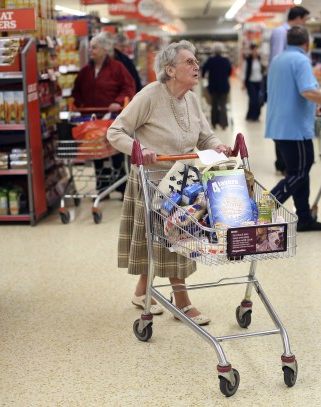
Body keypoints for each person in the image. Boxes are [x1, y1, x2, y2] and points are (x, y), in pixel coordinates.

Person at [107, 40, 231, 326]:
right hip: (154, 182)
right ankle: (183, 302)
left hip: (184, 182)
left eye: (196, 60)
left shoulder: (190, 98)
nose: (197, 65)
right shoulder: (150, 96)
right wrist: (139, 150)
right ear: (170, 70)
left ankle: (141, 292)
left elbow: (204, 136)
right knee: (177, 241)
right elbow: (116, 132)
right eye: (190, 61)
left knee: (160, 242)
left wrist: (219, 146)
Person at [265, 25, 321, 232]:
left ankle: (304, 218)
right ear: (307, 44)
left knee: (300, 171)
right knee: (299, 173)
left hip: (280, 126)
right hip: (294, 128)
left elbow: (293, 91)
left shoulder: (278, 60)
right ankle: (262, 210)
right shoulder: (301, 60)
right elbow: (308, 91)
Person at [72, 32, 136, 196]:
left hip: (112, 118)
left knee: (115, 151)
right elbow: (76, 90)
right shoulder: (86, 71)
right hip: (92, 119)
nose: (90, 51)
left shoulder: (117, 67)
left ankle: (121, 188)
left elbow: (129, 86)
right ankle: (102, 187)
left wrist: (119, 101)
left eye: (94, 47)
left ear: (104, 49)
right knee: (96, 152)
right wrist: (79, 105)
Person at [269, 6, 310, 174]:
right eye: (305, 19)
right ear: (298, 17)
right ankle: (283, 163)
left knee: (287, 124)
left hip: (293, 83)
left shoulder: (295, 34)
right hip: (284, 84)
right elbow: (277, 58)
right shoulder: (281, 32)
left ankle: (287, 163)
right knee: (282, 123)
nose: (305, 23)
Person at [201, 42, 232, 130]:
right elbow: (229, 72)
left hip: (213, 86)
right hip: (224, 86)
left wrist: (204, 76)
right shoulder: (225, 60)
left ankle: (214, 123)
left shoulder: (210, 60)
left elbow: (204, 70)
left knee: (214, 105)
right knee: (223, 105)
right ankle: (224, 124)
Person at [241, 44, 265, 122]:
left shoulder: (260, 60)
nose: (255, 52)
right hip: (251, 82)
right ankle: (250, 116)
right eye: (254, 50)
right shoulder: (247, 60)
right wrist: (243, 83)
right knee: (253, 100)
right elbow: (244, 72)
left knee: (259, 100)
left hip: (259, 82)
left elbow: (262, 71)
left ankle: (257, 116)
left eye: (256, 50)